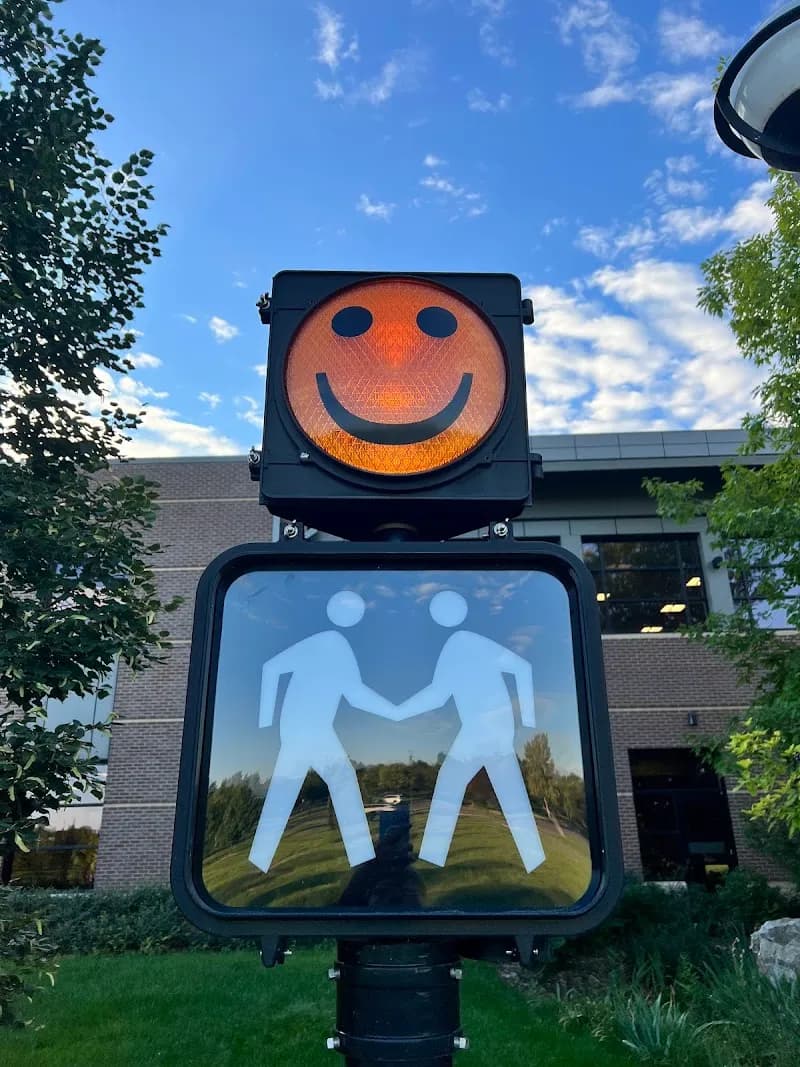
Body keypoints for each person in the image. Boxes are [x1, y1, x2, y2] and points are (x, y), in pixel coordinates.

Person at [394, 590, 545, 873]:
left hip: (484, 728)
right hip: (486, 728)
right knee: (504, 791)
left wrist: (528, 720)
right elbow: (439, 693)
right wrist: (402, 710)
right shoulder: (461, 644)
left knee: (452, 781)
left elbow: (522, 667)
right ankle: (533, 859)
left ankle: (432, 857)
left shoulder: (464, 642)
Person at [248, 590, 399, 873]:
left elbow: (354, 694)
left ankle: (259, 862)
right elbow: (271, 667)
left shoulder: (333, 644)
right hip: (309, 730)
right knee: (340, 781)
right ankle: (362, 857)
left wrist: (391, 710)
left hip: (305, 730)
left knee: (289, 790)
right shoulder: (329, 641)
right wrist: (265, 720)